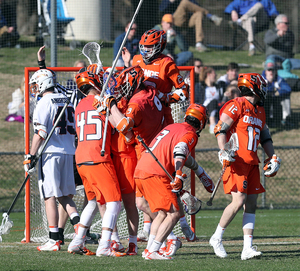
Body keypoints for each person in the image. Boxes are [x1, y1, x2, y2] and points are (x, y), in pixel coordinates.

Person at [209, 72, 281, 260]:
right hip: (237, 161)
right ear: (254, 86)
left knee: (251, 204)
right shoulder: (237, 104)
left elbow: (265, 137)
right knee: (238, 201)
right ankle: (216, 237)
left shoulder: (260, 110)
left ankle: (247, 248)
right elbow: (220, 128)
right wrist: (223, 150)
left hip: (252, 162)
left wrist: (272, 156)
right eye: (262, 86)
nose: (264, 90)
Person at [134, 103, 208, 260]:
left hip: (141, 169)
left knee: (162, 213)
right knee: (174, 214)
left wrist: (200, 172)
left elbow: (174, 151)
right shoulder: (190, 133)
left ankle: (149, 249)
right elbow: (180, 151)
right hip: (156, 173)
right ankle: (152, 251)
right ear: (202, 122)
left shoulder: (173, 127)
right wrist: (179, 173)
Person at [67, 69, 127, 257]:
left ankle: (77, 242)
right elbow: (120, 125)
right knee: (114, 202)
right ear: (95, 83)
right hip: (98, 156)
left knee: (93, 201)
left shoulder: (79, 105)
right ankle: (105, 245)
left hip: (81, 157)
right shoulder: (101, 101)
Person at [24, 69, 80, 251]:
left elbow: (41, 133)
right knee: (64, 195)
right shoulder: (66, 100)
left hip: (51, 153)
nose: (34, 89)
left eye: (35, 84)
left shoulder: (43, 103)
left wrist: (31, 155)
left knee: (49, 196)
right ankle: (80, 231)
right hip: (69, 152)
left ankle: (54, 239)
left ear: (42, 83)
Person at [262, 59, 292, 128]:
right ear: (265, 71)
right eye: (269, 70)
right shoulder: (261, 79)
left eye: (273, 70)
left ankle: (285, 119)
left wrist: (279, 92)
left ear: (276, 71)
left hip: (276, 102)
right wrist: (272, 90)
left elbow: (288, 89)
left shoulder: (279, 79)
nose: (271, 72)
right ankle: (263, 121)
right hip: (264, 103)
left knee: (286, 96)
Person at [200, 67, 225, 134]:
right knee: (214, 101)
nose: (216, 75)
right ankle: (212, 124)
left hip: (217, 108)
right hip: (205, 110)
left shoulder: (218, 87)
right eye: (214, 73)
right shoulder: (201, 86)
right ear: (209, 74)